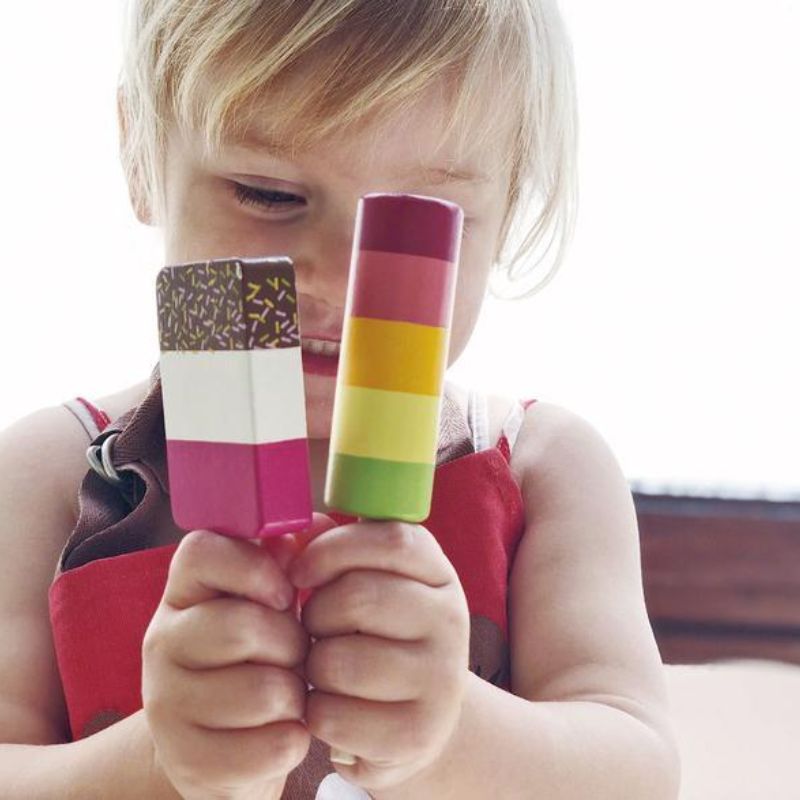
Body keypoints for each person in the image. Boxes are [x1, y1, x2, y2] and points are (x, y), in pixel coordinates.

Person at [0, 1, 680, 798]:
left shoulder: (542, 472)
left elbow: (637, 769)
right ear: (142, 159)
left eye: (424, 221)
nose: (339, 275)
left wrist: (453, 733)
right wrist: (157, 761)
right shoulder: (53, 477)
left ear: (510, 204)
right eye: (266, 194)